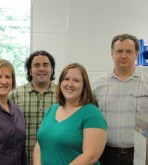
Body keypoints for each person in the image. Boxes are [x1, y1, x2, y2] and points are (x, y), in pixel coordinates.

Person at [33, 63, 107, 165]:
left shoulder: (92, 114)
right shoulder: (51, 110)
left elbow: (90, 156)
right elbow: (39, 145)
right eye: (66, 79)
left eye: (76, 80)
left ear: (84, 86)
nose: (70, 84)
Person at [92, 34, 148, 165]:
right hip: (104, 153)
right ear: (112, 54)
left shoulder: (146, 83)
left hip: (138, 154)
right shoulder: (98, 84)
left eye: (129, 51)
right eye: (119, 51)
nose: (123, 55)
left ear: (136, 55)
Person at [9, 50, 57, 165]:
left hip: (54, 160)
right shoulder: (15, 95)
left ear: (52, 69)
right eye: (36, 65)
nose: (41, 69)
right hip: (22, 160)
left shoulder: (62, 95)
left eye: (46, 65)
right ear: (30, 71)